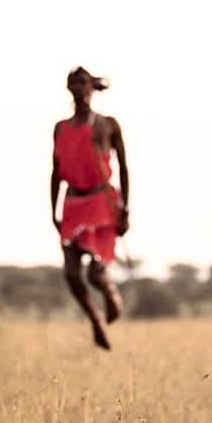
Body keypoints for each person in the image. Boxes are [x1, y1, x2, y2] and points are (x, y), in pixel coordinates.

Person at [50, 66, 130, 350]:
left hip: (101, 202)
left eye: (83, 82)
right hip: (73, 203)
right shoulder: (61, 128)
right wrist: (53, 212)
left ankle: (111, 295)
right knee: (72, 273)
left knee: (96, 273)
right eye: (73, 82)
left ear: (91, 88)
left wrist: (125, 209)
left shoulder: (107, 125)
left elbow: (123, 167)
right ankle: (95, 320)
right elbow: (56, 172)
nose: (78, 87)